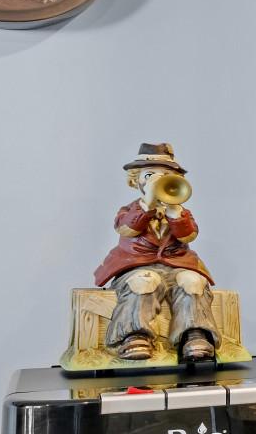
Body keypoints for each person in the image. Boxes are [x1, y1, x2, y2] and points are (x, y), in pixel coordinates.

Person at [92, 143, 218, 364]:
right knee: (144, 282)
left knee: (193, 281)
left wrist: (175, 213)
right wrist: (147, 205)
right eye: (149, 175)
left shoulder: (180, 212)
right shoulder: (129, 211)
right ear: (135, 180)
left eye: (166, 176)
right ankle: (134, 335)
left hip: (177, 265)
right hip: (138, 266)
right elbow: (127, 229)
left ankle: (194, 334)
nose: (158, 181)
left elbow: (188, 236)